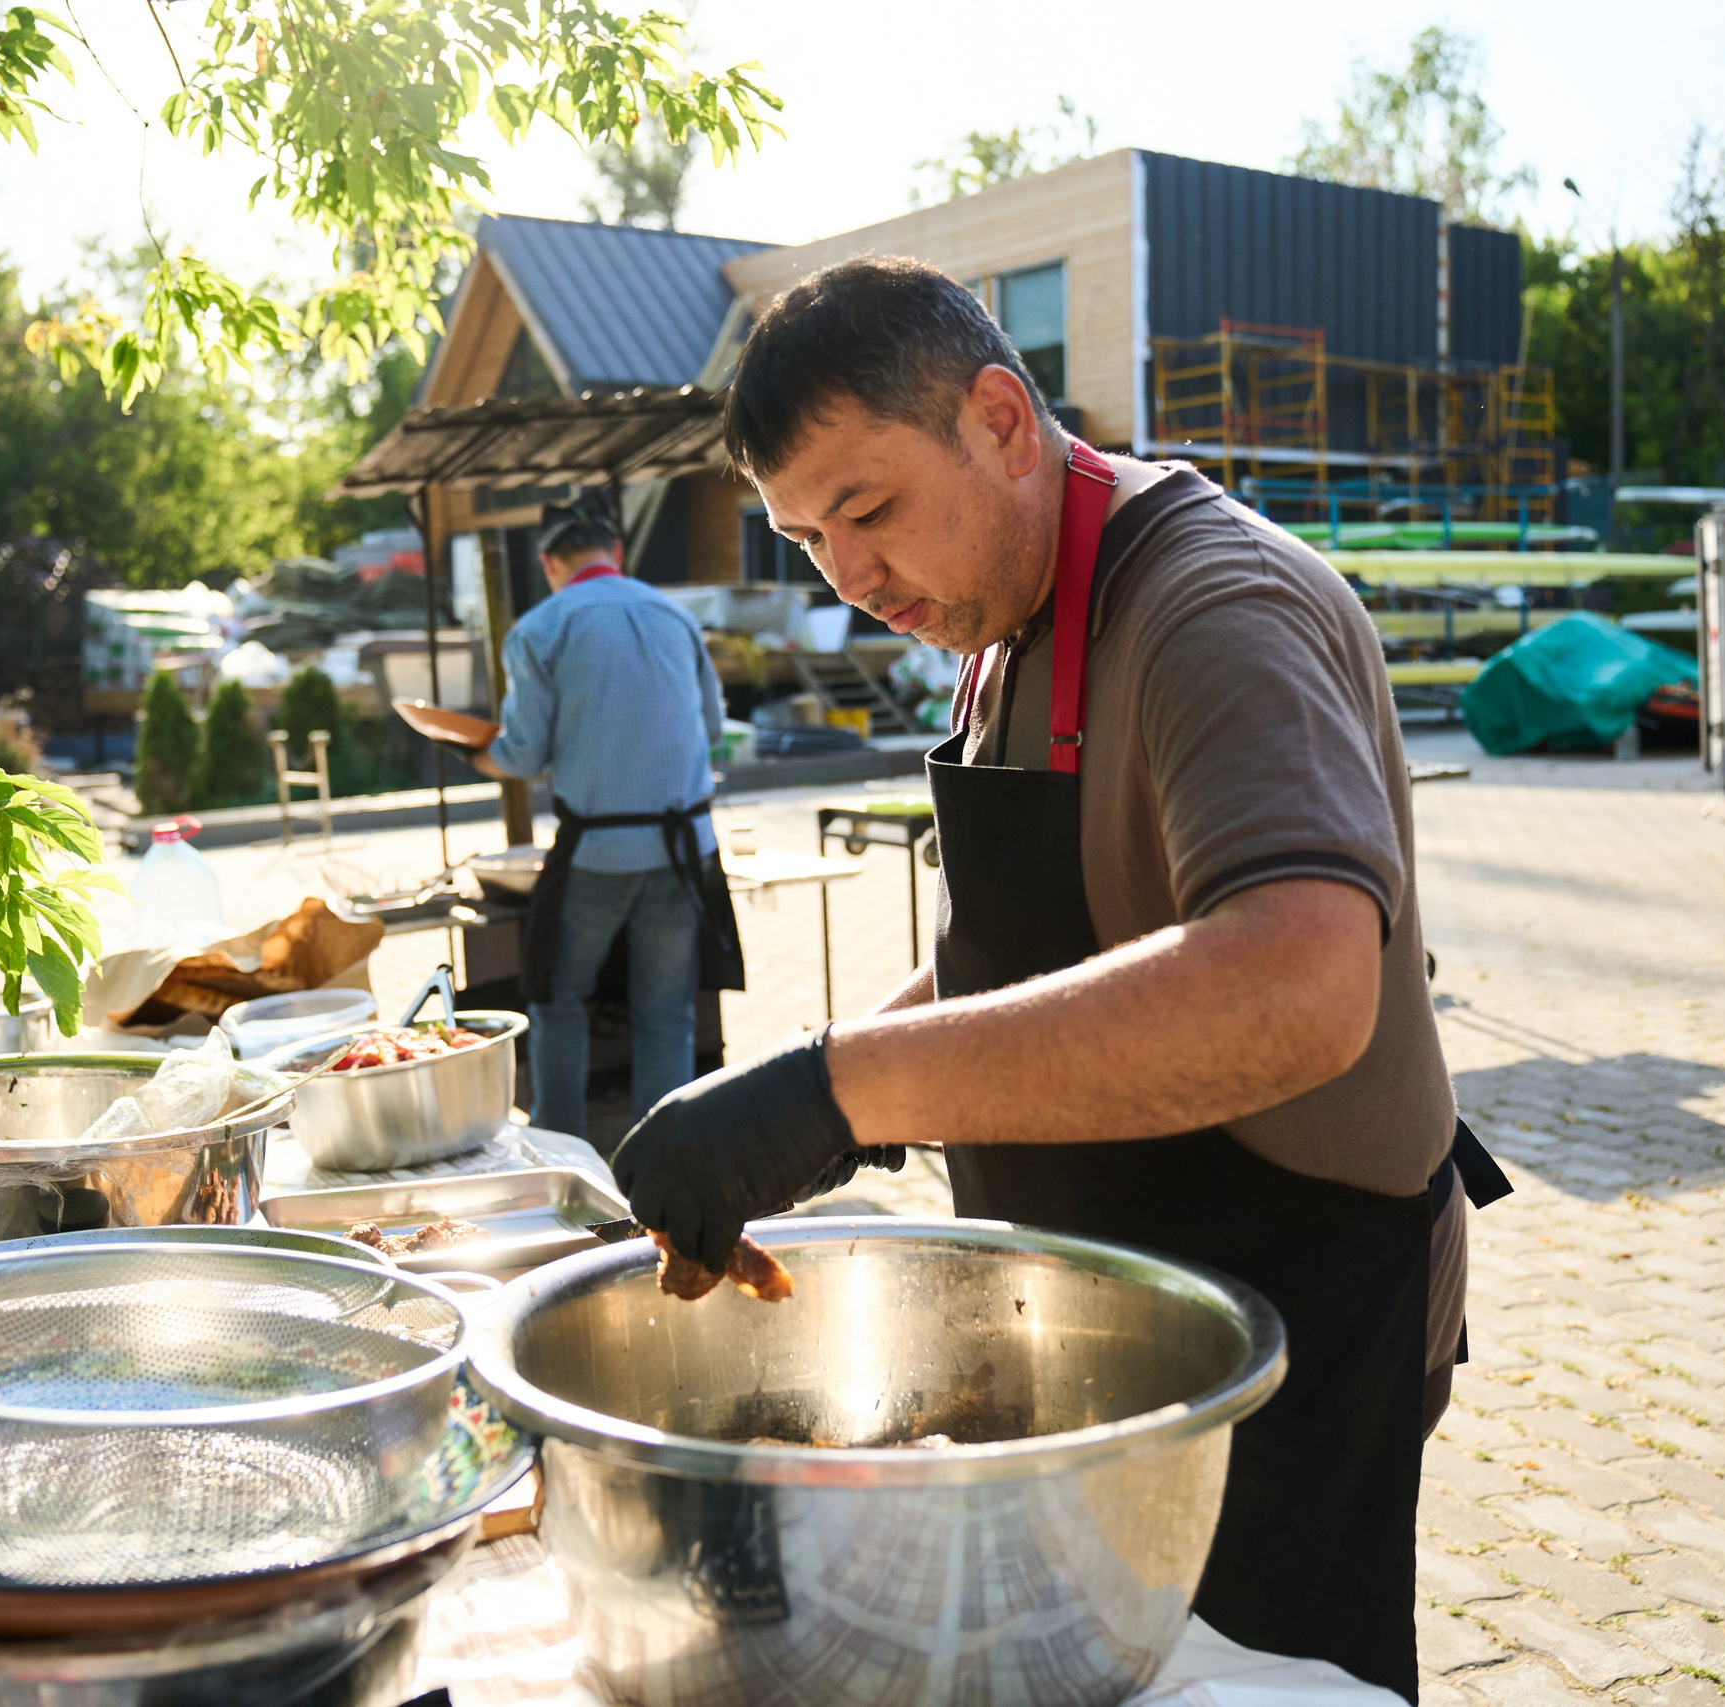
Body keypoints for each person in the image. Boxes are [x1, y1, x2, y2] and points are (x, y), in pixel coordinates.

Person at [608, 257, 1507, 1702]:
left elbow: (1299, 982)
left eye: (872, 510)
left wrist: (848, 1085)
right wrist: (792, 1093)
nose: (850, 578)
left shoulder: (1219, 607)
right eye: (806, 538)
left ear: (1002, 422)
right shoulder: (1001, 622)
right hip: (1119, 1301)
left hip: (1288, 1325)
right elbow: (1025, 950)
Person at [469, 500, 743, 1141]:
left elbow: (524, 753)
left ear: (548, 564)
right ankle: (664, 1150)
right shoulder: (677, 616)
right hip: (685, 847)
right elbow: (709, 730)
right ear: (615, 553)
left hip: (598, 852)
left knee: (558, 1000)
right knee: (667, 1011)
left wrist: (480, 752)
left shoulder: (539, 629)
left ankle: (562, 1142)